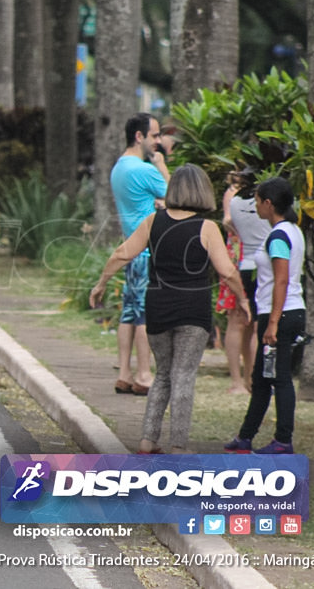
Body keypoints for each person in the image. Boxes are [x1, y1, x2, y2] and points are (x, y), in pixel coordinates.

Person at [90, 164, 250, 454]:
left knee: (163, 373)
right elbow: (227, 271)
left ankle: (147, 440)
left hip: (158, 307)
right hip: (193, 312)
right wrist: (243, 299)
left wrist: (100, 284)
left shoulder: (154, 221)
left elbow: (122, 253)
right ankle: (177, 445)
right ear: (203, 191)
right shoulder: (207, 227)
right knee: (184, 375)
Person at [225, 177, 306, 455]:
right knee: (261, 377)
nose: (256, 206)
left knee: (279, 377)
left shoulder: (279, 236)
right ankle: (245, 436)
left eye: (258, 201)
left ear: (268, 204)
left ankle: (283, 439)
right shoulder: (292, 230)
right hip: (284, 312)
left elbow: (281, 281)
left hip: (281, 316)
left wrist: (272, 323)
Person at [108, 112, 170, 396]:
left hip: (131, 250)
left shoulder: (119, 168)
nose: (158, 141)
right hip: (147, 250)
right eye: (155, 135)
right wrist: (161, 164)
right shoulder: (145, 170)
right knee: (145, 315)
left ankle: (124, 373)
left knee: (129, 313)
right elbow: (178, 195)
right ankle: (144, 375)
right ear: (139, 136)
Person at [225, 168, 269, 392]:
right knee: (259, 324)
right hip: (264, 266)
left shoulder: (235, 202)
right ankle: (254, 378)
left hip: (243, 264)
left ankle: (237, 382)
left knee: (238, 322)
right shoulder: (267, 203)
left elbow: (229, 224)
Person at [218, 173, 249, 394]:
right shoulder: (234, 192)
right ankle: (237, 381)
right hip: (239, 254)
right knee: (237, 317)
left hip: (253, 254)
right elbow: (227, 220)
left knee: (252, 322)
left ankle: (249, 379)